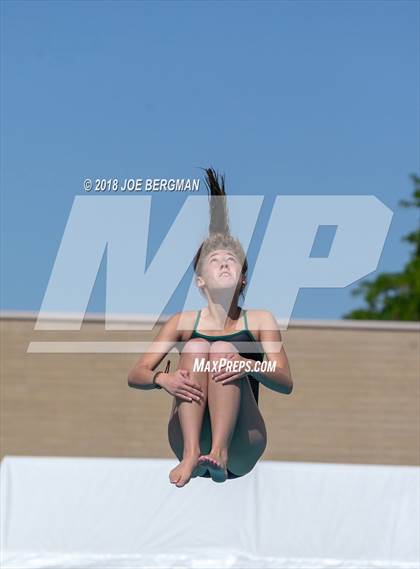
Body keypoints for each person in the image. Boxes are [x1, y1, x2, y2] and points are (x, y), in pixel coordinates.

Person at [128, 167, 293, 487]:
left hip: (242, 442)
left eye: (231, 261)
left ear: (243, 277)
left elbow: (285, 382)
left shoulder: (259, 320)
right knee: (197, 346)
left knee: (222, 349)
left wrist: (248, 366)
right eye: (214, 261)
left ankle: (220, 450)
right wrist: (164, 379)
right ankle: (192, 454)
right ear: (201, 280)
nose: (223, 265)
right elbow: (136, 374)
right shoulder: (182, 322)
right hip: (188, 436)